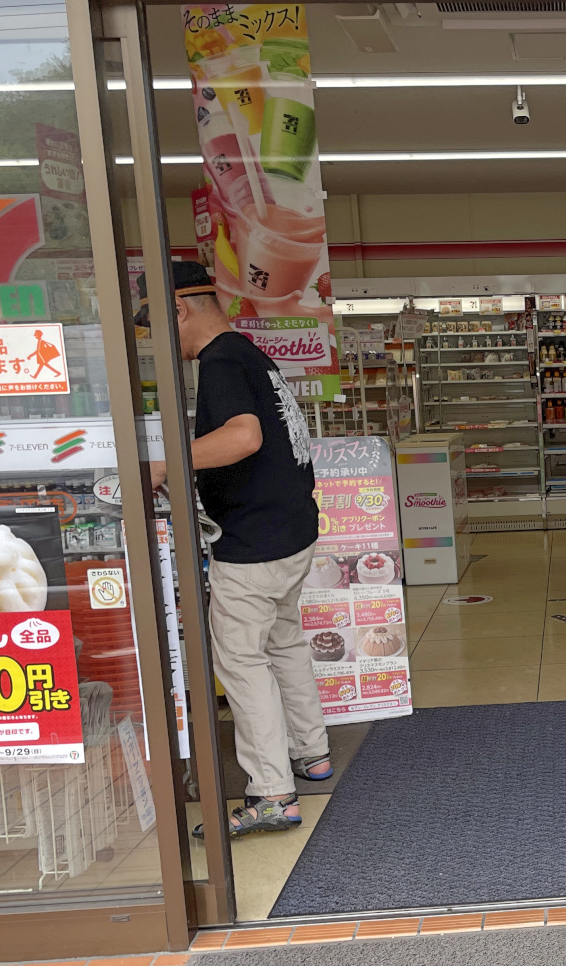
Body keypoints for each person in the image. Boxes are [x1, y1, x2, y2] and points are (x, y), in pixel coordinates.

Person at [140, 261, 332, 837]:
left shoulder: (220, 361)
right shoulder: (250, 354)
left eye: (154, 325)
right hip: (291, 531)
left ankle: (272, 792)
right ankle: (311, 752)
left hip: (254, 543)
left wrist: (162, 467)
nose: (156, 341)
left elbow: (243, 437)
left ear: (178, 310)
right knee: (284, 641)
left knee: (242, 662)